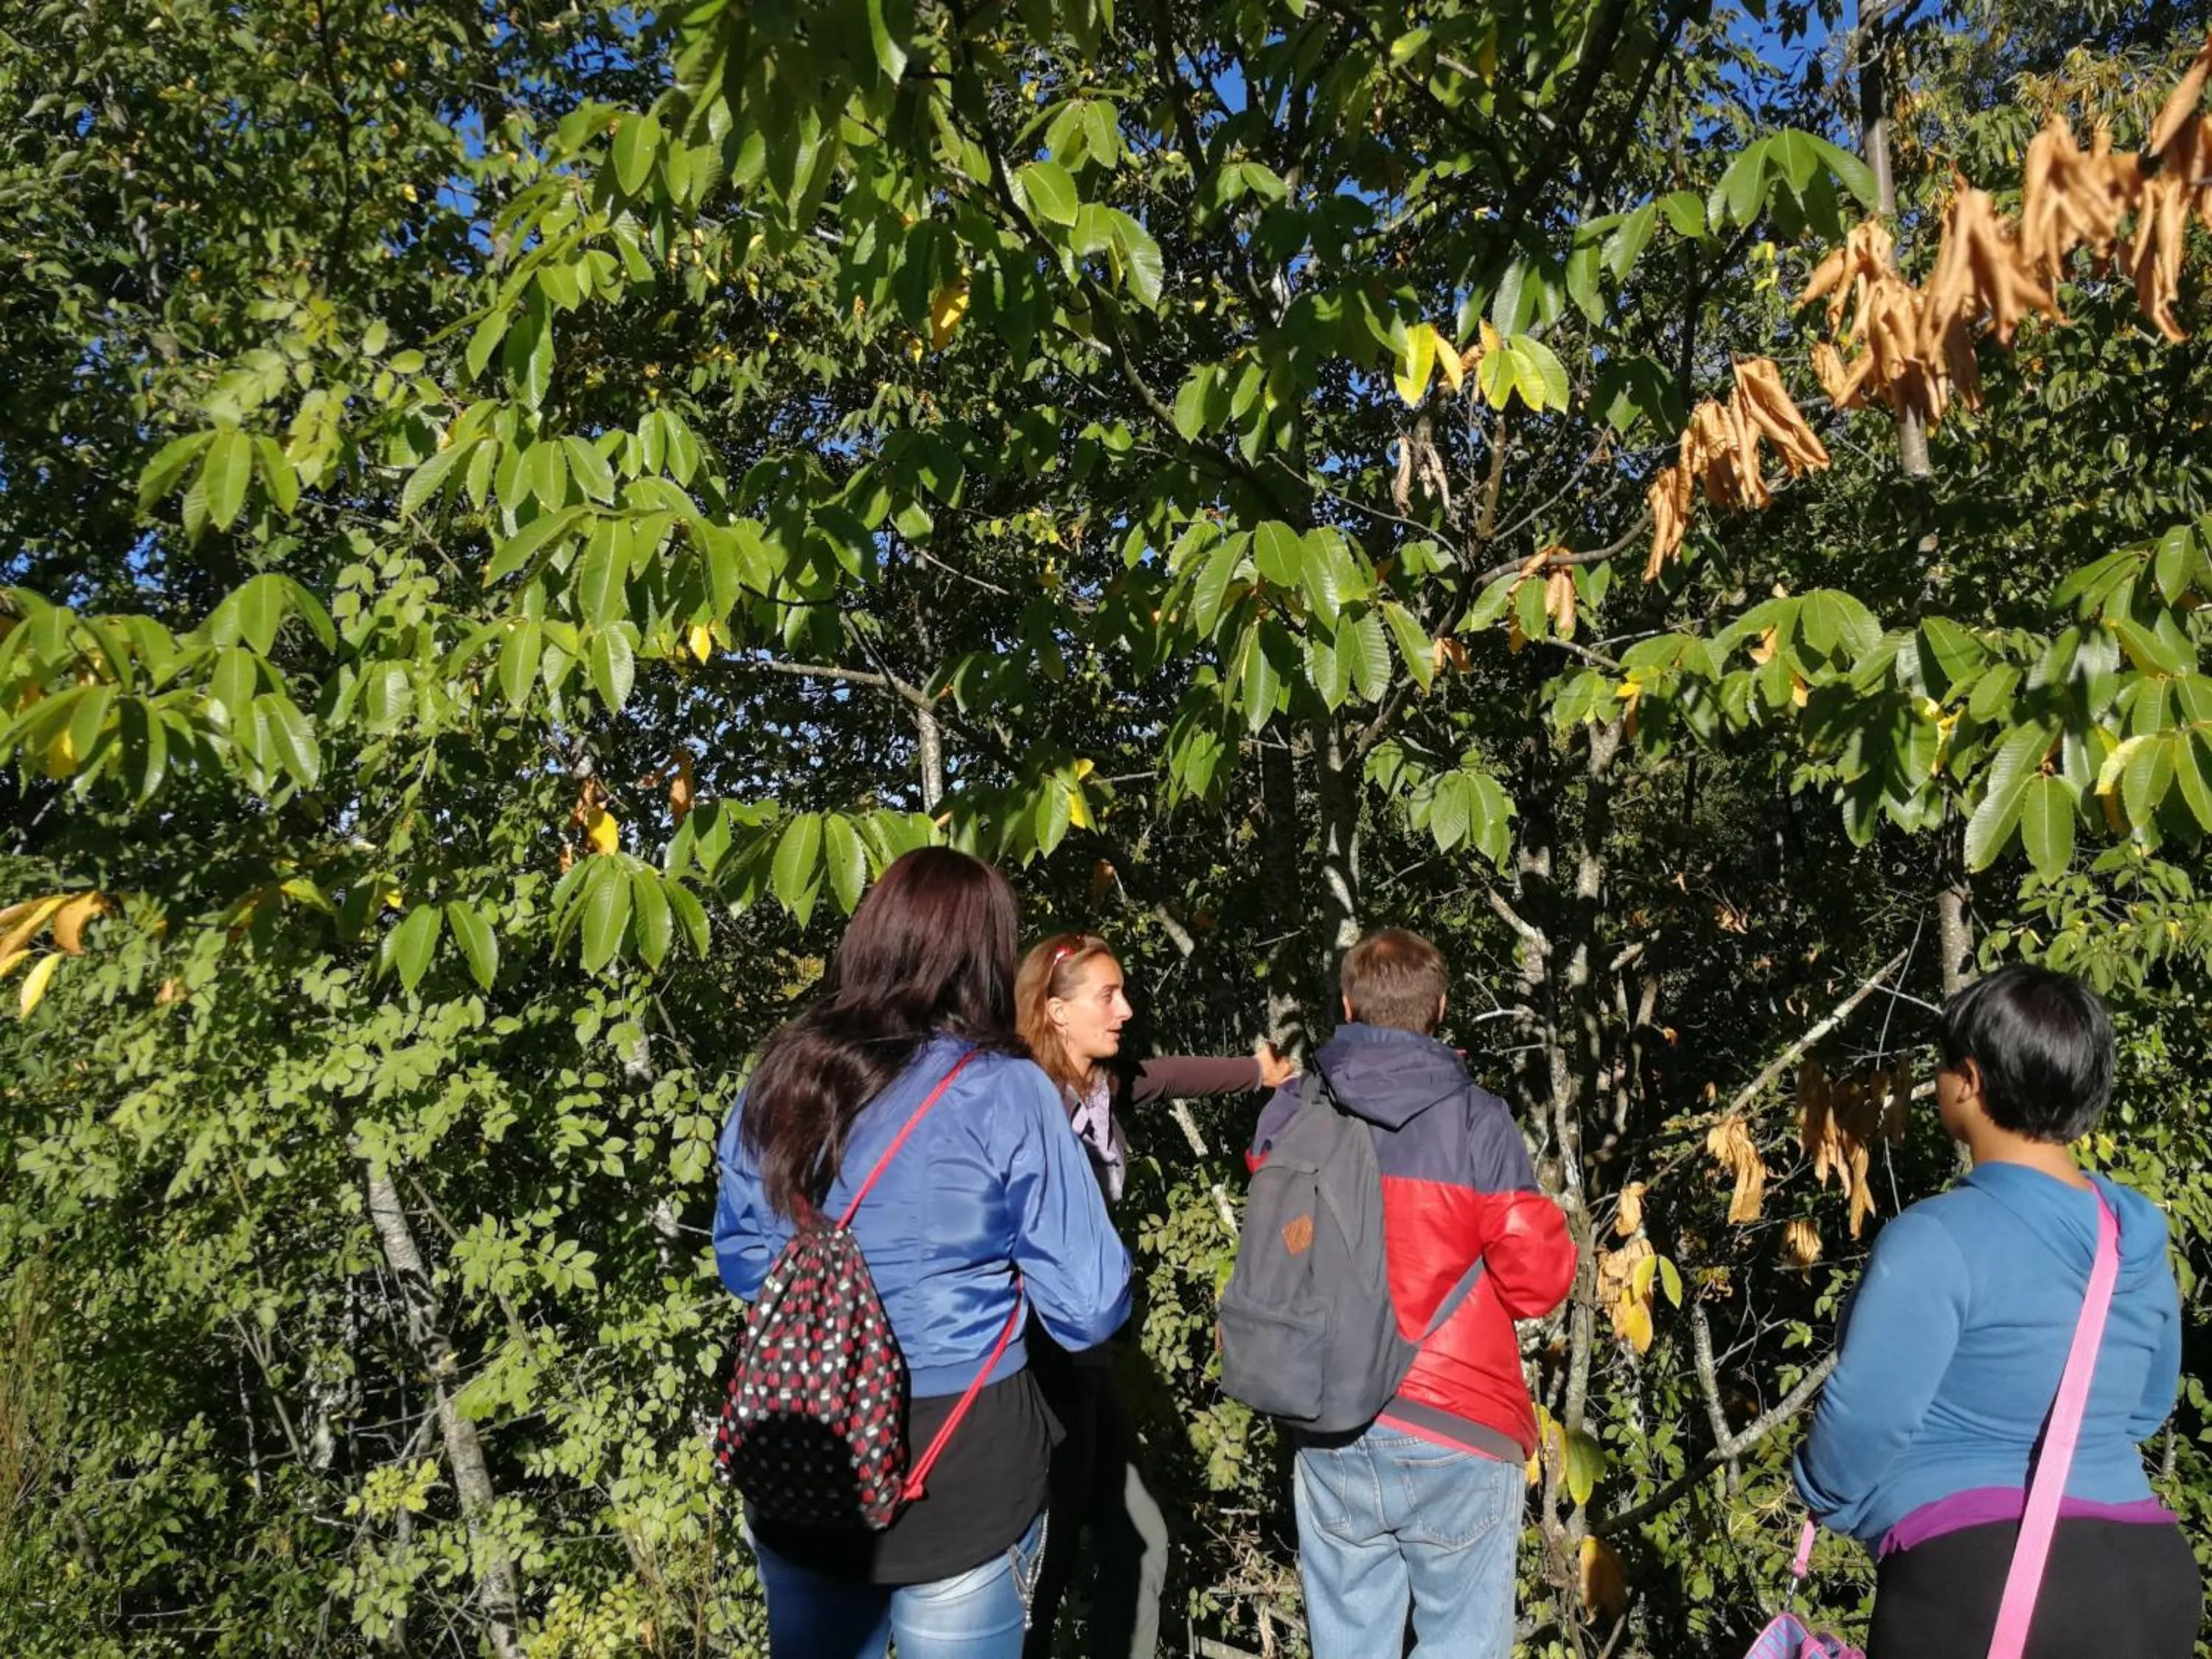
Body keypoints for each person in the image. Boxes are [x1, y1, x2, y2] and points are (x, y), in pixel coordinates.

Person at [714, 849, 1133, 1659]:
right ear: (988, 954)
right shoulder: (1005, 1090)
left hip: (805, 1437)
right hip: (960, 1459)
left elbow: (742, 1263)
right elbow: (1089, 1309)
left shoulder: (781, 1077)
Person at [1794, 964, 2199, 1658]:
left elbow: (1866, 1421)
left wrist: (1828, 1499)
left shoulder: (1937, 1238)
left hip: (1981, 1582)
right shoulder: (2132, 1233)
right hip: (2151, 1578)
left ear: (1969, 1082)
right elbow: (2146, 1405)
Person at [1246, 928, 1575, 1659]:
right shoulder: (1479, 1122)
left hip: (1330, 1414)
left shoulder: (1295, 1111)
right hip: (1459, 1421)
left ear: (1347, 1003)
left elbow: (1277, 1235)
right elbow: (1538, 1281)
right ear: (1442, 1008)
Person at [1012, 930, 1295, 1659]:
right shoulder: (1018, 1098)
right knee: (1042, 1570)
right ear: (1054, 1010)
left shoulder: (1101, 1088)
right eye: (1108, 996)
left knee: (1140, 1542)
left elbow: (1170, 1076)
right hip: (1031, 1363)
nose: (1127, 1009)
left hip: (1087, 1355)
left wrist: (1260, 1072)